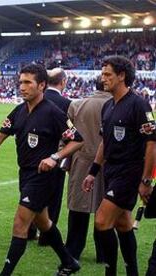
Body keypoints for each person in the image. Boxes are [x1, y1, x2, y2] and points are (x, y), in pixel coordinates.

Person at [0, 64, 83, 276]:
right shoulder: (19, 110)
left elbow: (78, 141)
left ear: (42, 85)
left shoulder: (53, 112)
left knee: (20, 224)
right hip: (25, 174)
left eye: (27, 83)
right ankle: (69, 261)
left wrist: (55, 157)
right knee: (42, 222)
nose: (22, 87)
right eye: (20, 82)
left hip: (43, 177)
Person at [83, 56, 156, 276]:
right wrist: (93, 172)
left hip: (130, 172)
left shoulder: (139, 104)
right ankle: (132, 272)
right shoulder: (107, 106)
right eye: (102, 74)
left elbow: (152, 144)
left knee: (102, 221)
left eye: (108, 74)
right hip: (111, 172)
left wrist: (145, 181)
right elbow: (105, 142)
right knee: (123, 224)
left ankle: (110, 272)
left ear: (122, 76)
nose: (102, 78)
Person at [64, 78, 111, 261]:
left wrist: (66, 162)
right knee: (105, 207)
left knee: (78, 207)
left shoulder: (77, 105)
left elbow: (67, 135)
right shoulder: (116, 105)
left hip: (81, 159)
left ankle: (73, 249)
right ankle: (104, 252)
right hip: (108, 163)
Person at [38, 67, 71, 246]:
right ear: (63, 82)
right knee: (54, 197)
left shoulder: (38, 97)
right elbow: (71, 135)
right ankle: (46, 237)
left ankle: (28, 230)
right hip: (55, 156)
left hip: (33, 154)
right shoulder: (67, 103)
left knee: (32, 193)